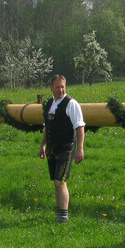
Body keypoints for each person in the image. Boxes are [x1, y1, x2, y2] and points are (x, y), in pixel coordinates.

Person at [38, 74, 85, 223]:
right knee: (56, 181)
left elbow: (79, 126)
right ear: (51, 88)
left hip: (67, 146)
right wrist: (42, 145)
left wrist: (80, 149)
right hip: (52, 146)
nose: (61, 90)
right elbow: (47, 127)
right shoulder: (50, 104)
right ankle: (59, 212)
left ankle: (63, 216)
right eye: (58, 87)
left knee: (60, 181)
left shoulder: (71, 103)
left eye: (63, 86)